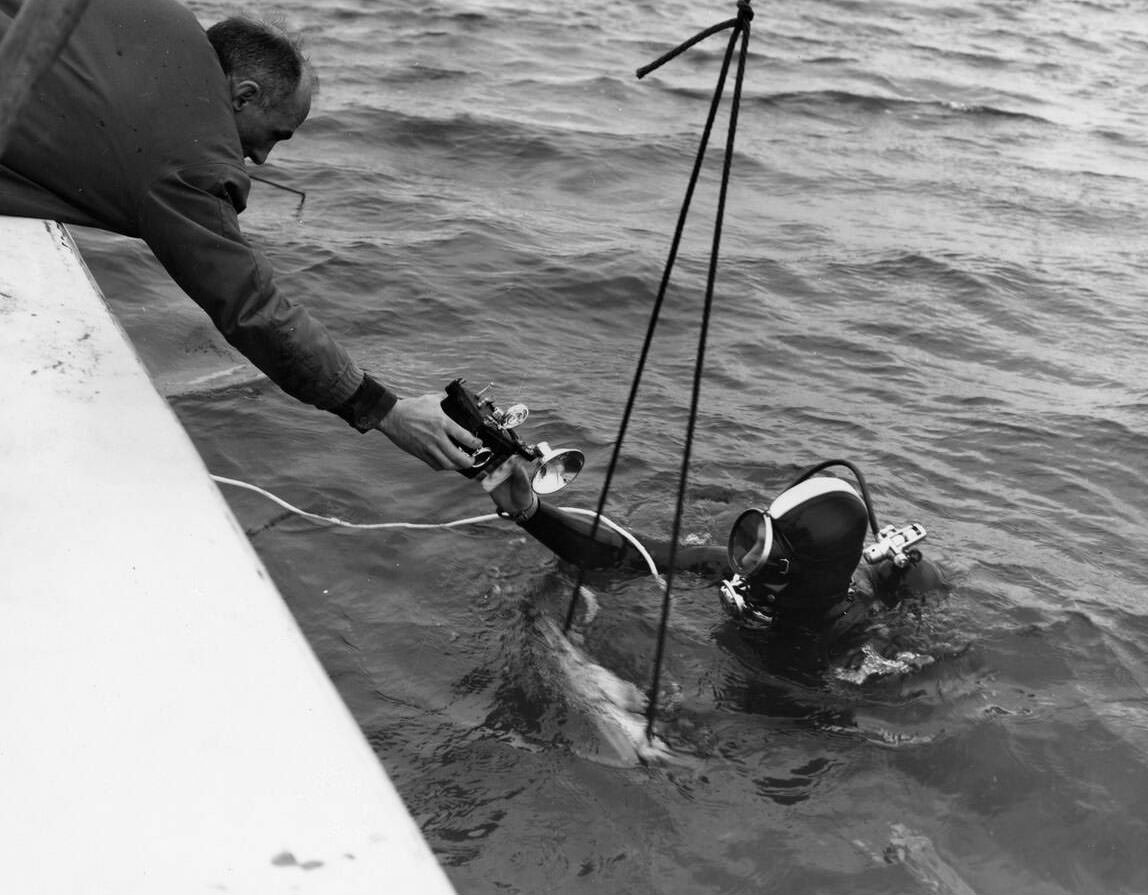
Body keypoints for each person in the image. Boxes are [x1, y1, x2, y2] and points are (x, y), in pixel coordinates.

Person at [0, 0, 480, 469]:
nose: (264, 159)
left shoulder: (169, 17)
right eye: (275, 134)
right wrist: (386, 412)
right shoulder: (192, 165)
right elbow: (251, 308)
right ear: (244, 95)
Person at [483, 455, 947, 679]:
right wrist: (529, 512)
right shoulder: (741, 575)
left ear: (795, 566)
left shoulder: (861, 643)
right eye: (753, 539)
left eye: (764, 551)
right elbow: (625, 553)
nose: (747, 562)